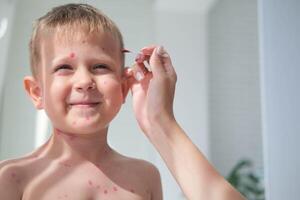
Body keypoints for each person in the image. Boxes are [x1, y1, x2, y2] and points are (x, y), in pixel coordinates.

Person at [0, 3, 245, 200]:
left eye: (100, 66)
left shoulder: (145, 177)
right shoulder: (12, 178)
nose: (85, 81)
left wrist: (159, 119)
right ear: (36, 92)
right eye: (64, 67)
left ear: (125, 86)